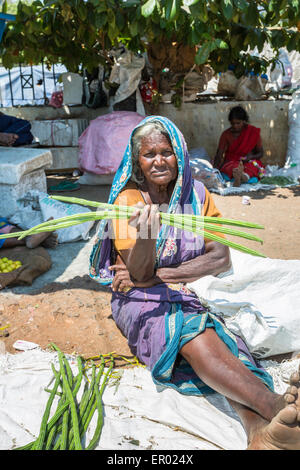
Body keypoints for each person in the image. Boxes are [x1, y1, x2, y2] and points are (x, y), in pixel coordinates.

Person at [89, 116, 300, 450]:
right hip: (138, 300)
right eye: (149, 154)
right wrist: (147, 237)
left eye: (166, 152)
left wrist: (162, 276)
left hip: (185, 289)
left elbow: (220, 257)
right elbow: (139, 276)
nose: (159, 160)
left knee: (226, 342)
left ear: (180, 156)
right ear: (138, 163)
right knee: (191, 329)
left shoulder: (197, 194)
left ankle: (258, 432)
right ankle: (272, 405)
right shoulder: (129, 202)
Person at [213, 106, 265, 187]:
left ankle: (244, 176)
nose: (235, 126)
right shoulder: (226, 134)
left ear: (244, 121)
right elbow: (219, 154)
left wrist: (250, 157)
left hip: (249, 161)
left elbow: (261, 153)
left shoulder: (253, 132)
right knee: (231, 167)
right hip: (232, 161)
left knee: (254, 166)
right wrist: (214, 170)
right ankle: (239, 174)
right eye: (233, 123)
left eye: (238, 123)